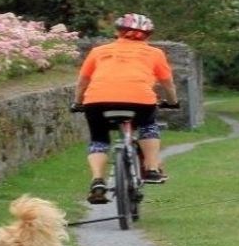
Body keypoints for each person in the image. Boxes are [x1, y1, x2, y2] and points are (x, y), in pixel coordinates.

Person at [74, 13, 180, 205]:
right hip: (140, 101)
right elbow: (168, 83)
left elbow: (82, 82)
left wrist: (77, 103)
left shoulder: (98, 51)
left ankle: (97, 181)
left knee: (99, 139)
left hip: (97, 101)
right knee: (148, 126)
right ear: (148, 35)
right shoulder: (155, 54)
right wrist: (173, 101)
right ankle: (152, 169)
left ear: (118, 32)